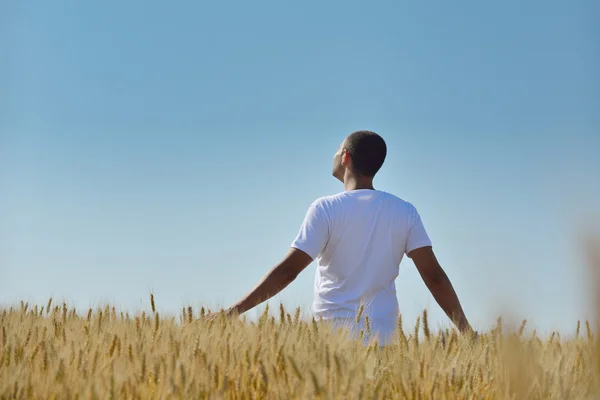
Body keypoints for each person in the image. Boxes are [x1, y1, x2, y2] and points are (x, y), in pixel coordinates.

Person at [212, 130, 473, 345]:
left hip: (332, 344)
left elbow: (287, 272)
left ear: (345, 157)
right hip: (384, 344)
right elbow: (435, 277)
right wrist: (467, 331)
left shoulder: (325, 209)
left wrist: (232, 312)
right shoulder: (405, 211)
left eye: (337, 151)